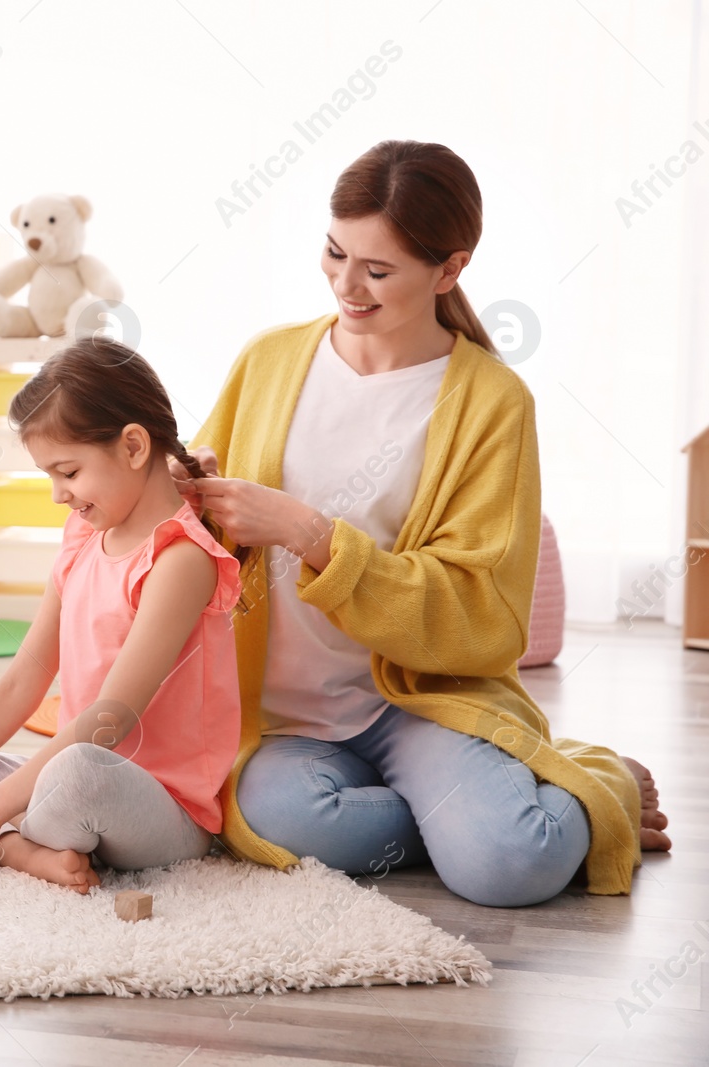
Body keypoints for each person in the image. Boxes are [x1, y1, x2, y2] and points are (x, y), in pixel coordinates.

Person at [177, 139, 669, 908]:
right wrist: (190, 489)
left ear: (449, 269)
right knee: (269, 820)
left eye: (378, 270)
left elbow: (485, 615)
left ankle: (587, 780)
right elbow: (201, 533)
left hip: (416, 704)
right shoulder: (270, 361)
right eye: (335, 253)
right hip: (289, 722)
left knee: (514, 863)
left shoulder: (492, 403)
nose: (347, 284)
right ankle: (503, 791)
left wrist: (312, 535)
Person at [0, 339, 243, 892]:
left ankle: (7, 839)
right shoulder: (84, 536)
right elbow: (22, 679)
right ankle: (16, 847)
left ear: (134, 445)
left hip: (156, 808)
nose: (58, 495)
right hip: (65, 782)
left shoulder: (181, 560)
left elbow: (110, 722)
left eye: (67, 472)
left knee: (78, 771)